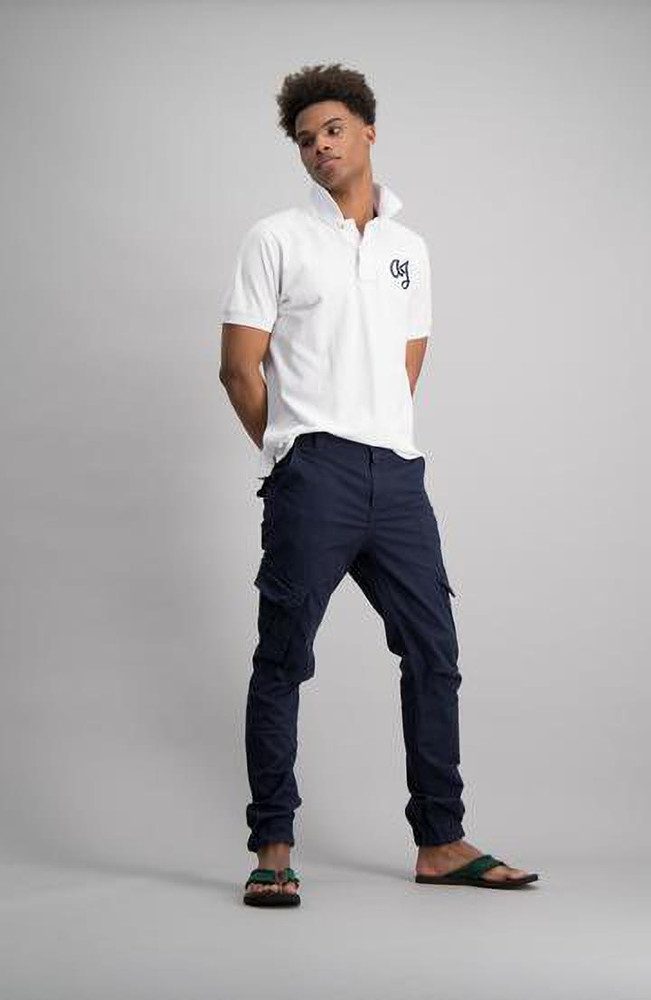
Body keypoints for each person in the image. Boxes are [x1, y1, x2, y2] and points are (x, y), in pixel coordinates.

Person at [219, 63, 539, 907]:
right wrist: (291, 453)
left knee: (433, 652)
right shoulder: (275, 239)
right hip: (314, 472)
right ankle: (273, 847)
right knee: (284, 657)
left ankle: (440, 841)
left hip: (395, 476)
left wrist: (377, 432)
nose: (318, 148)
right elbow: (238, 368)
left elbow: (406, 364)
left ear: (366, 131)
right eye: (304, 140)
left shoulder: (408, 250)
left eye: (331, 130)